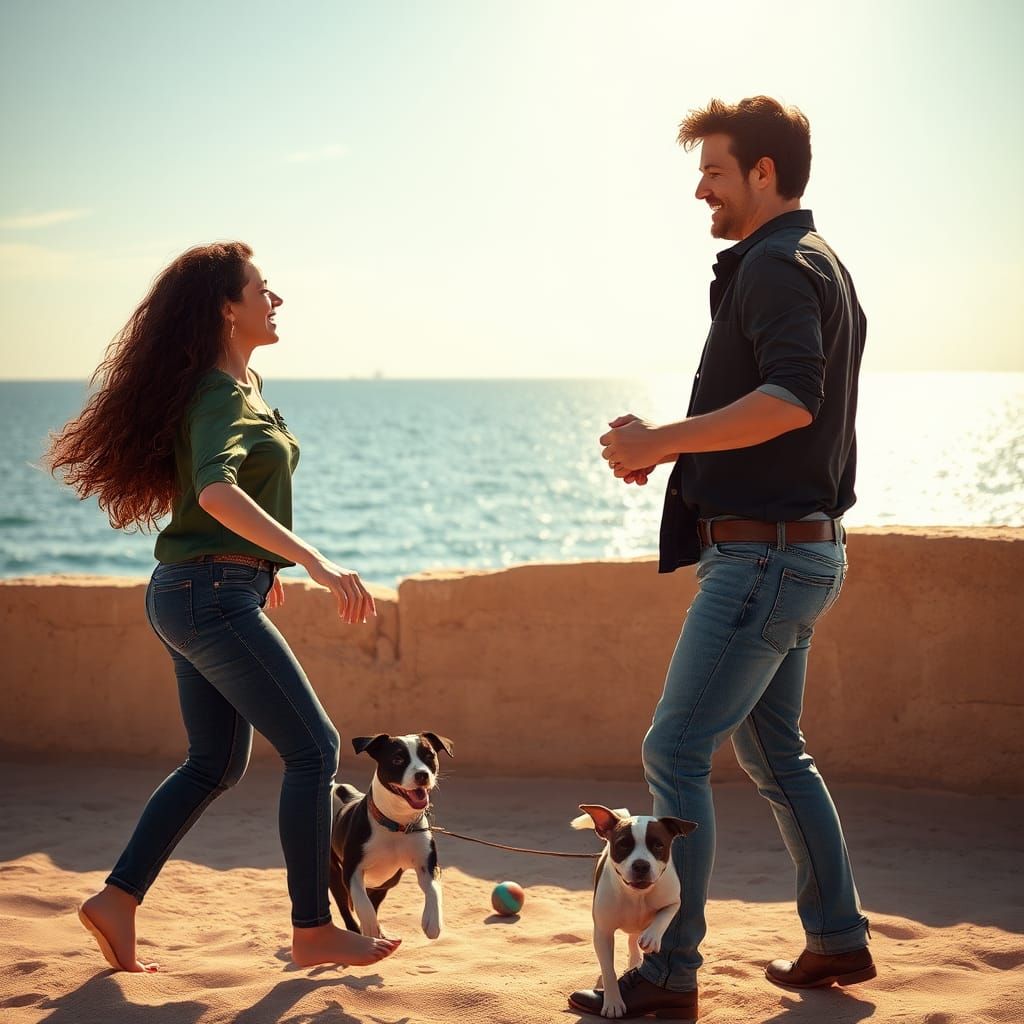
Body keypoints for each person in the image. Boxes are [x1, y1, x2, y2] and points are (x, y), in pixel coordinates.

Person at [569, 97, 873, 1019]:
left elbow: (789, 401)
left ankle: (669, 969)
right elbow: (781, 415)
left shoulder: (778, 266)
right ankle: (838, 939)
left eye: (713, 170)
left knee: (674, 747)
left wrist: (663, 440)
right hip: (801, 552)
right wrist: (671, 446)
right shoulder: (820, 264)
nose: (699, 186)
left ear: (764, 173)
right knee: (778, 752)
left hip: (768, 560)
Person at [48, 242, 400, 972]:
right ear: (226, 307)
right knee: (314, 748)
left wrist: (260, 560)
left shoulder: (244, 384)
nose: (277, 300)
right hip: (206, 594)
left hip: (198, 590)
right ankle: (311, 930)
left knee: (214, 763)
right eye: (262, 288)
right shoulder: (216, 392)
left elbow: (223, 498)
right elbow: (213, 490)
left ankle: (117, 900)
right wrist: (311, 558)